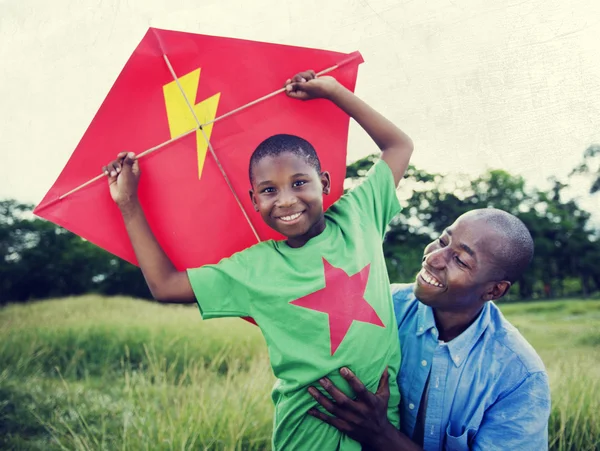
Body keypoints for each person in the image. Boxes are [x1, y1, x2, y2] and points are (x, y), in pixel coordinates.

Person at [102, 70, 414, 450]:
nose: (285, 200)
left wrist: (333, 92)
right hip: (306, 434)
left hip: (383, 429)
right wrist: (128, 203)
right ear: (254, 201)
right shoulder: (254, 268)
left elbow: (398, 146)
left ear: (326, 183)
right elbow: (166, 285)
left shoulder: (359, 215)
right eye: (269, 190)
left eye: (300, 182)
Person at [306, 209, 551, 451]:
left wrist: (381, 435)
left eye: (460, 260)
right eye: (442, 241)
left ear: (494, 291)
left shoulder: (520, 377)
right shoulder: (377, 307)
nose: (433, 259)